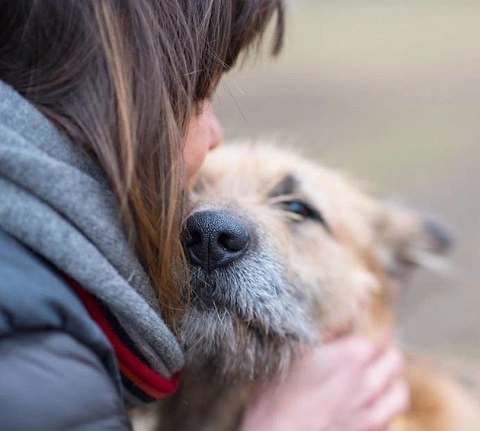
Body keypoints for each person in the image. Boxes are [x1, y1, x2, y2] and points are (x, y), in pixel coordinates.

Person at [0, 1, 408, 430]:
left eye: (297, 210)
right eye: (190, 197)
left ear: (382, 272)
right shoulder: (41, 349)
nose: (210, 226)